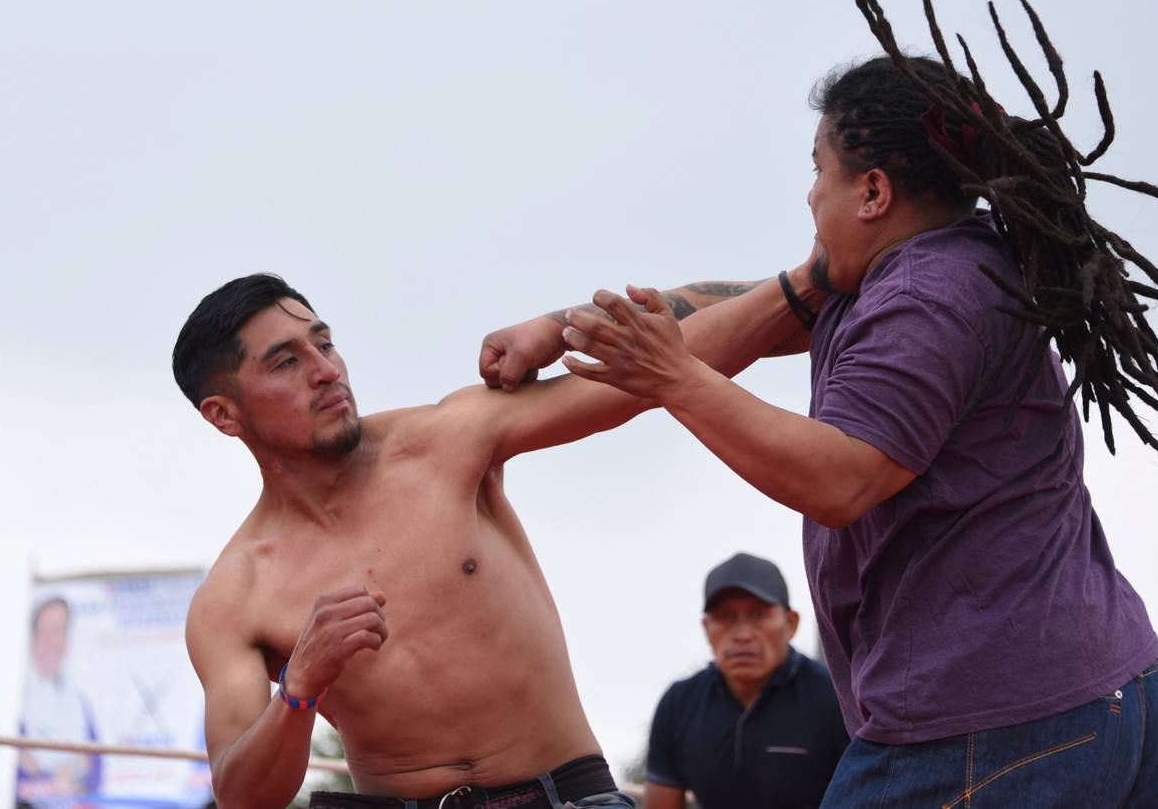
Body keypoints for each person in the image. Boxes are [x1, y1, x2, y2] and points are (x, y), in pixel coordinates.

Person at [478, 0, 1158, 805]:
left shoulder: (928, 300)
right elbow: (744, 304)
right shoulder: (920, 270)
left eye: (817, 170)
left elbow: (841, 476)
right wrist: (562, 327)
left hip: (987, 724)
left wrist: (675, 378)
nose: (808, 194)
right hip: (1100, 696)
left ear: (872, 191)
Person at [173, 271, 812, 809]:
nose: (326, 372)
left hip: (566, 795)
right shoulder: (235, 598)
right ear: (224, 414)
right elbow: (240, 794)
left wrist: (808, 283)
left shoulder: (442, 442)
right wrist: (299, 688)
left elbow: (660, 361)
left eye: (325, 344)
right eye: (286, 361)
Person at [643, 553, 847, 809]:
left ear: (790, 623)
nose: (741, 635)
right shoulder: (678, 703)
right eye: (725, 617)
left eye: (758, 615)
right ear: (707, 628)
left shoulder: (836, 698)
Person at [17, 596, 102, 804]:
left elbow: (95, 768)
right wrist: (52, 780)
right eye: (46, 632)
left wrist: (64, 776)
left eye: (60, 631)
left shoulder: (78, 700)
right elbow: (16, 769)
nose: (54, 642)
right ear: (33, 637)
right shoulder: (17, 701)